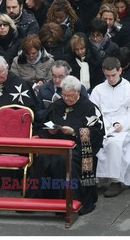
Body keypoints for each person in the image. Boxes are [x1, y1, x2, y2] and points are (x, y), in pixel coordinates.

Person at [28, 75, 104, 215]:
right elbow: (42, 125)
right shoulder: (56, 105)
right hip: (56, 145)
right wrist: (50, 131)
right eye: (63, 95)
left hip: (78, 149)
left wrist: (75, 132)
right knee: (41, 159)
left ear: (78, 92)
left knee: (63, 161)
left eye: (70, 95)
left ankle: (67, 201)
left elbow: (97, 132)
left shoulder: (89, 108)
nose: (66, 98)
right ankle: (39, 200)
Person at [89, 57, 130, 197]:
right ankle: (93, 179)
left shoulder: (128, 88)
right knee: (93, 141)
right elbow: (93, 112)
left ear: (120, 70)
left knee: (114, 143)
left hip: (124, 128)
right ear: (103, 72)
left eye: (113, 75)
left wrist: (122, 124)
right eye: (107, 76)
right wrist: (105, 126)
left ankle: (115, 181)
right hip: (103, 126)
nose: (111, 79)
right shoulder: (98, 90)